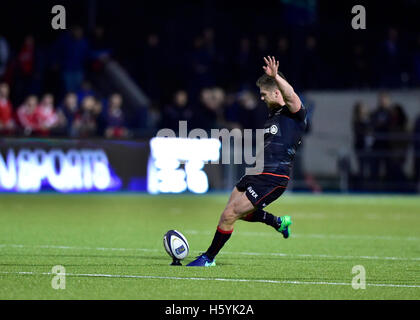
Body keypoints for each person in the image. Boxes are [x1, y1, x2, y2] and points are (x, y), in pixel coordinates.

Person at [187, 56, 307, 267]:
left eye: (264, 94)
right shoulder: (273, 115)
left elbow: (292, 96)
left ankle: (208, 258)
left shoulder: (294, 112)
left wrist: (276, 76)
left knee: (229, 214)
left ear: (277, 92)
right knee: (235, 210)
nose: (261, 98)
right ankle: (278, 222)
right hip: (256, 171)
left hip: (273, 177)